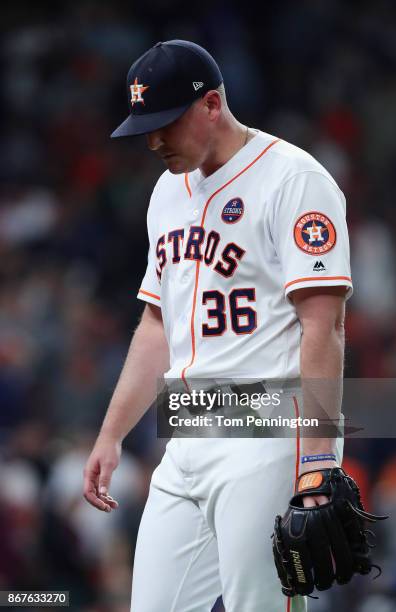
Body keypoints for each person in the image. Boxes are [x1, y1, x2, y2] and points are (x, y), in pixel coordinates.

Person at [83, 40, 352, 611]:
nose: (154, 140)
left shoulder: (294, 179)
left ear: (211, 105)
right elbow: (157, 324)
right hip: (188, 435)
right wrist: (111, 433)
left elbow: (324, 328)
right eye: (144, 126)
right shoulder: (165, 193)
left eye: (165, 123)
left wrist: (318, 462)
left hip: (266, 432)